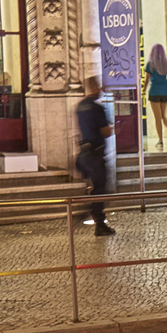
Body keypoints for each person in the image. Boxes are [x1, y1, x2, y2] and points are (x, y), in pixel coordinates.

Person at [76, 76, 116, 236]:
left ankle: (91, 213)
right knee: (100, 188)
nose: (100, 89)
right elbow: (105, 132)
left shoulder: (80, 106)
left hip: (84, 154)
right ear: (93, 87)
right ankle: (99, 222)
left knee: (94, 188)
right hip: (95, 153)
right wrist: (113, 129)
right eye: (98, 86)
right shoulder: (97, 108)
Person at [144, 44, 167, 150]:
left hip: (154, 92)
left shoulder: (150, 64)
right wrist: (164, 80)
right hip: (165, 91)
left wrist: (143, 90)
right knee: (163, 116)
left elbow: (146, 80)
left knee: (157, 118)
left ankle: (160, 140)